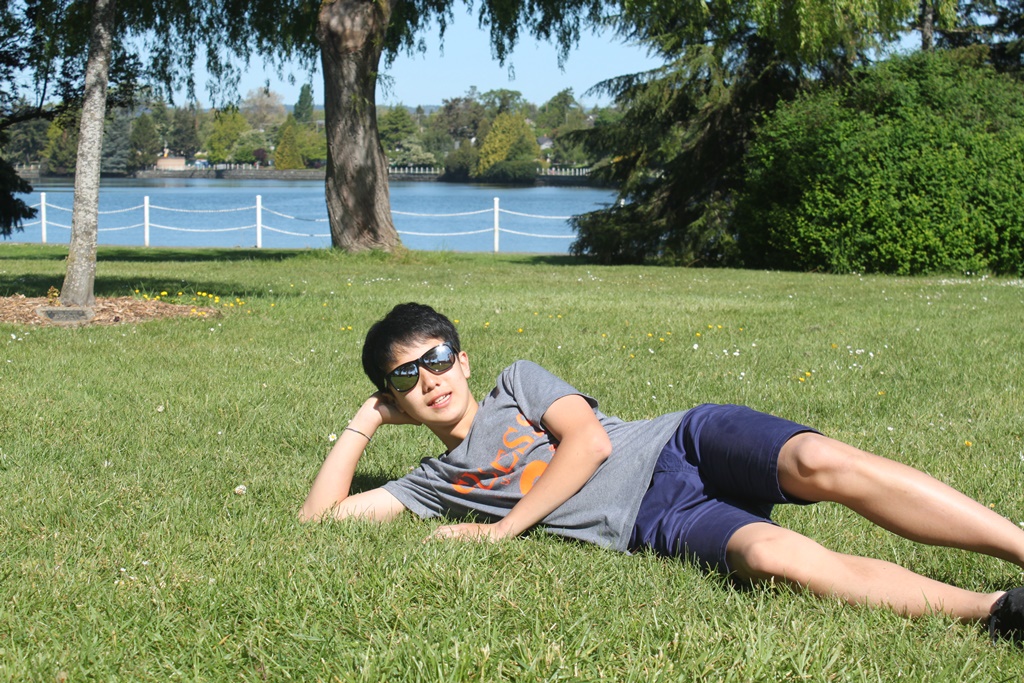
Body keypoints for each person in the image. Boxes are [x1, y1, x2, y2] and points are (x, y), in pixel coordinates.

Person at [300, 302, 1024, 645]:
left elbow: (589, 444)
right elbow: (318, 521)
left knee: (818, 460)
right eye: (404, 375)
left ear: (462, 360)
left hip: (682, 441)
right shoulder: (433, 483)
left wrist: (503, 530)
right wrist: (365, 421)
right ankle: (997, 609)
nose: (427, 379)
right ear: (394, 395)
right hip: (655, 519)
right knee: (772, 557)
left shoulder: (516, 383)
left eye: (435, 358)